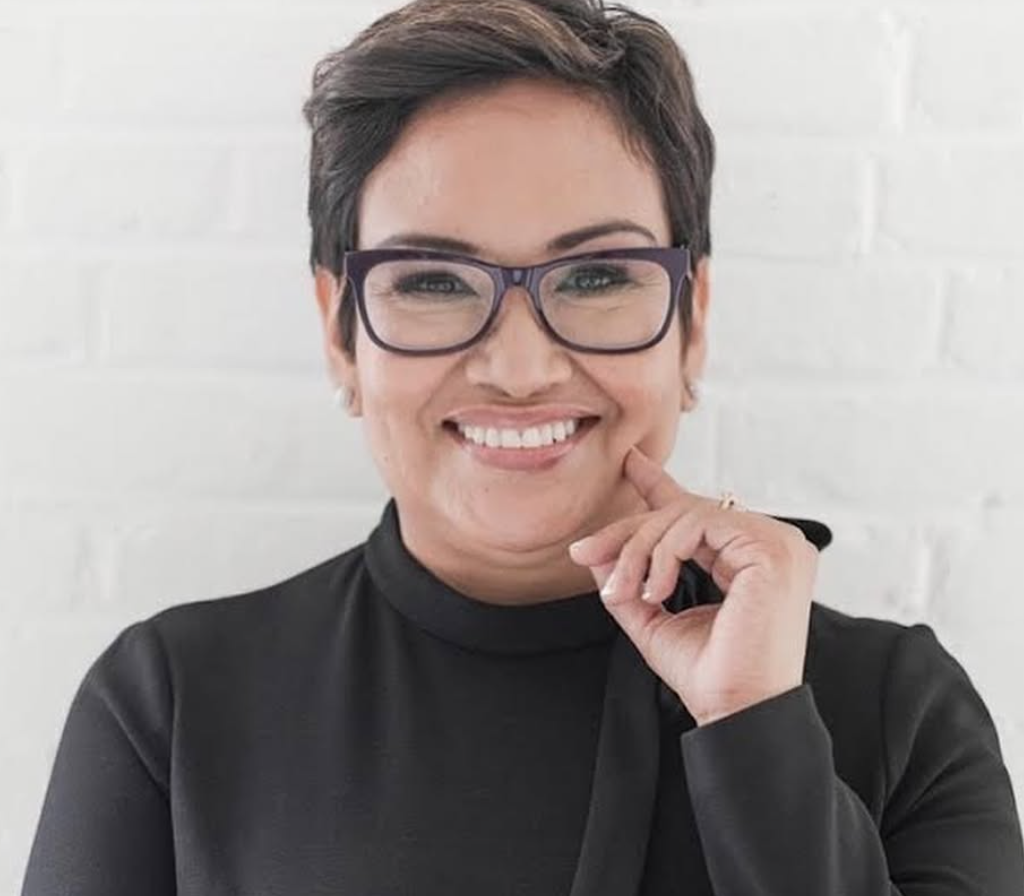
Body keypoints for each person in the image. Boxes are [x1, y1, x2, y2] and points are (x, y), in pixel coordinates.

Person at [20, 0, 1024, 893]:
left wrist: (757, 731)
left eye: (594, 278)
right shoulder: (172, 703)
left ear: (693, 319)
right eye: (430, 281)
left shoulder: (894, 708)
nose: (519, 366)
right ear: (340, 333)